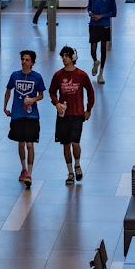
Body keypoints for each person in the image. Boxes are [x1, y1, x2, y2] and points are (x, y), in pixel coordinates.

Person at [49, 46, 95, 185]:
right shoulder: (58, 75)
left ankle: (77, 164)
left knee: (75, 143)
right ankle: (70, 172)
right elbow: (52, 91)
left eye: (67, 55)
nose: (64, 58)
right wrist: (56, 103)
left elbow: (90, 92)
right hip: (63, 115)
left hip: (77, 114)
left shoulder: (81, 75)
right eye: (62, 55)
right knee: (65, 144)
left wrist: (88, 110)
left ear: (73, 57)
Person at [4, 49, 46, 187]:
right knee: (21, 143)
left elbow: (41, 95)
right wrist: (5, 107)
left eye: (27, 60)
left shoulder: (37, 77)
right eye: (23, 59)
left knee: (30, 144)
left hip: (32, 115)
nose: (24, 62)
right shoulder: (15, 75)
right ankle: (23, 168)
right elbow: (8, 90)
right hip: (17, 114)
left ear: (32, 62)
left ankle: (30, 173)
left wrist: (33, 99)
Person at [87, 0, 117, 83]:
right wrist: (90, 13)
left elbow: (113, 13)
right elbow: (89, 7)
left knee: (103, 49)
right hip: (93, 24)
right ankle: (95, 61)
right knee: (93, 49)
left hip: (104, 25)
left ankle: (101, 73)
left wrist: (102, 16)